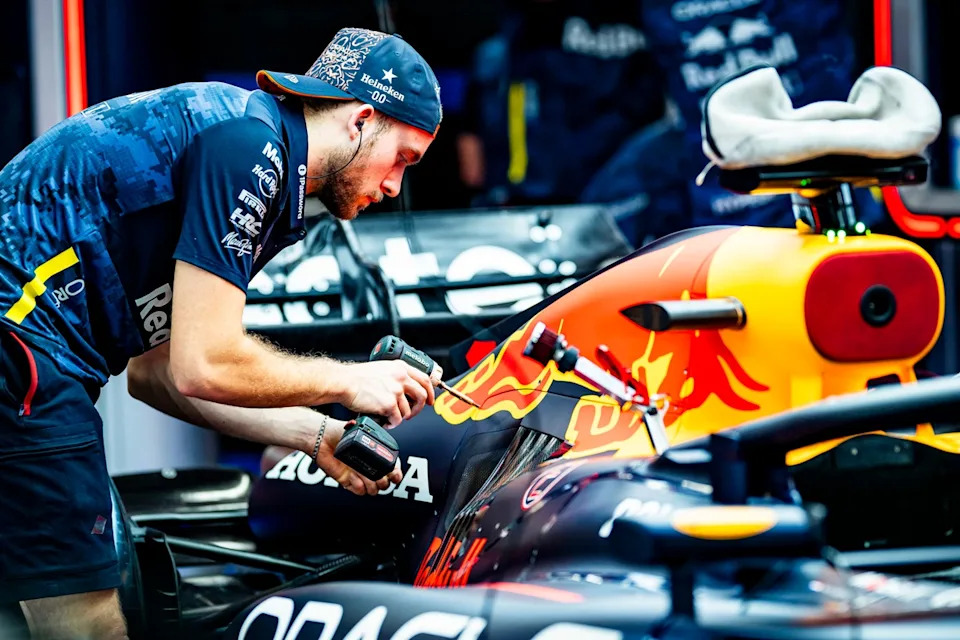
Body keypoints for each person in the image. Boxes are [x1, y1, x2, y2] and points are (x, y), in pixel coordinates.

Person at [0, 27, 442, 639]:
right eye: (403, 159)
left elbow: (156, 373)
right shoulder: (249, 150)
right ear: (361, 120)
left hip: (29, 352)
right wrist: (348, 380)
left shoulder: (257, 150)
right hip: (23, 350)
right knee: (86, 621)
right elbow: (203, 364)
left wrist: (318, 436)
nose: (394, 186)